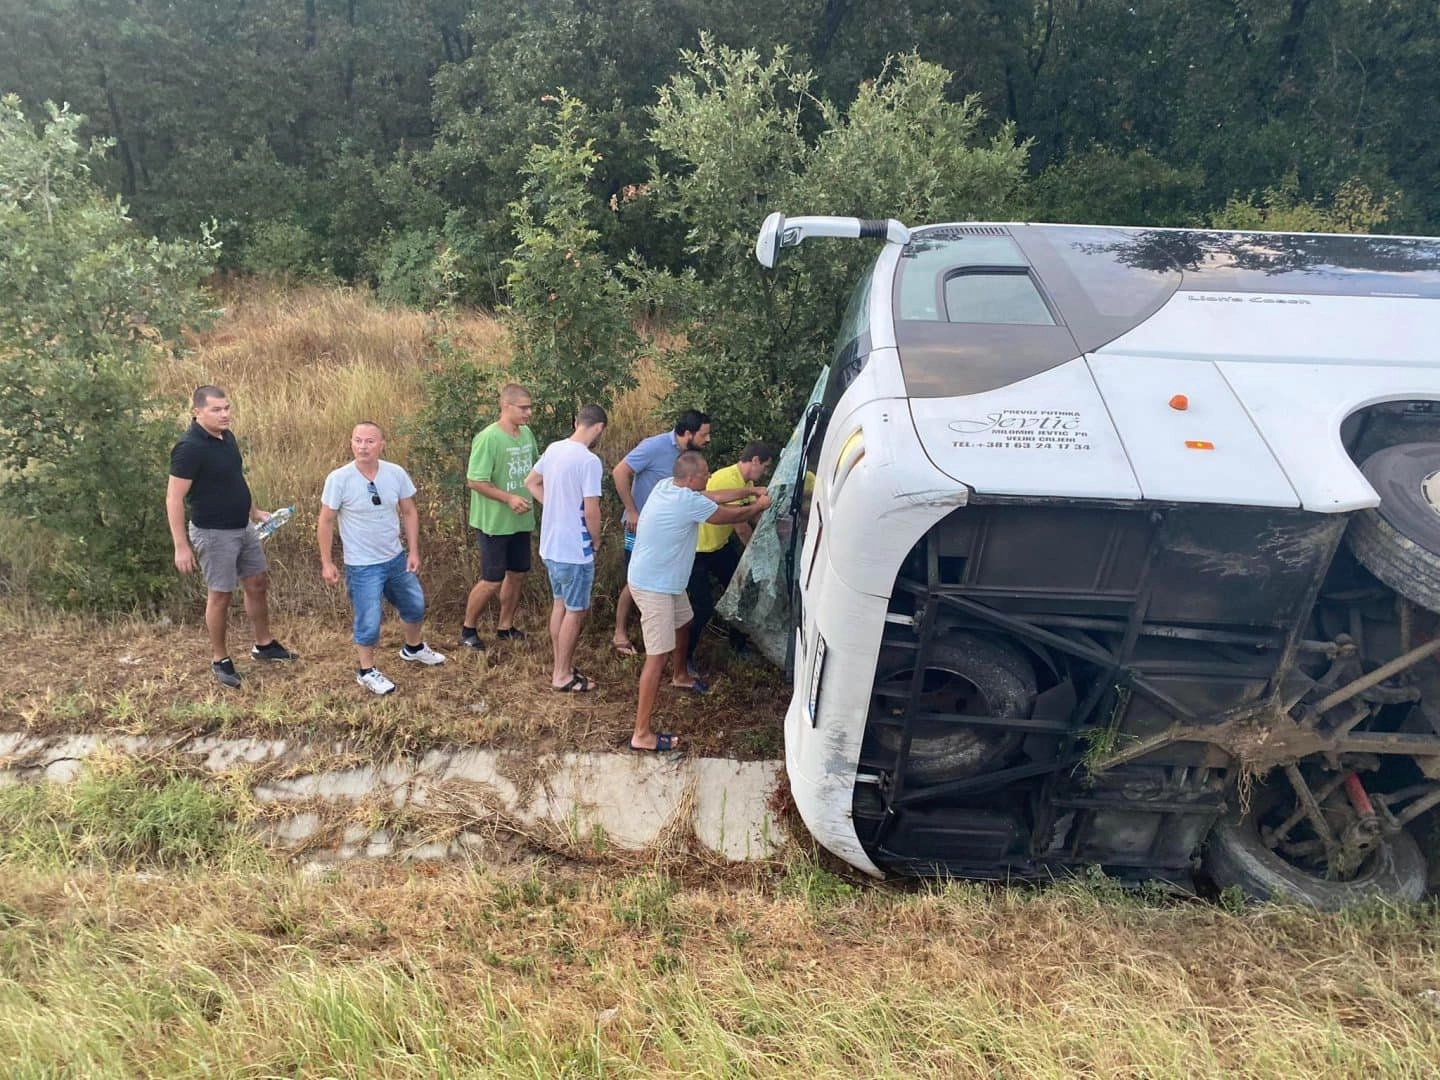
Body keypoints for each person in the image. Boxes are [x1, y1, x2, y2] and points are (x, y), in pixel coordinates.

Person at [627, 451, 770, 751]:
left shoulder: (667, 486)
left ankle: (680, 675)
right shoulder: (686, 502)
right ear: (692, 478)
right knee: (657, 657)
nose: (709, 475)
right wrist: (758, 505)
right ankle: (641, 734)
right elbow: (728, 515)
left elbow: (713, 495)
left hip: (666, 582)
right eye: (705, 472)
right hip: (653, 587)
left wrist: (749, 490)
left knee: (686, 620)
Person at [166, 385, 295, 689]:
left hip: (243, 527)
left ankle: (263, 645)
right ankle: (220, 659)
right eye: (216, 410)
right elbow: (173, 499)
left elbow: (234, 479)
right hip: (213, 533)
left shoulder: (227, 437)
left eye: (227, 408)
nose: (225, 414)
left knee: (257, 583)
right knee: (221, 595)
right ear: (197, 412)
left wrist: (255, 511)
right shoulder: (189, 447)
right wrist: (180, 546)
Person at [318, 422, 446, 695]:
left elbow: (409, 512)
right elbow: (326, 521)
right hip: (362, 565)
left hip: (395, 558)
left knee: (414, 605)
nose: (362, 447)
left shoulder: (395, 473)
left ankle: (413, 648)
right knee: (369, 619)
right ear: (351, 443)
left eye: (369, 441)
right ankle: (366, 671)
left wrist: (413, 551)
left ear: (381, 444)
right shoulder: (339, 479)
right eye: (357, 441)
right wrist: (327, 562)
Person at [611, 409, 711, 656]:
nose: (707, 440)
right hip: (641, 526)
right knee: (634, 581)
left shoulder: (690, 456)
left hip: (668, 531)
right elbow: (619, 471)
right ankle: (620, 632)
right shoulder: (654, 446)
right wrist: (631, 511)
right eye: (704, 435)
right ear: (687, 433)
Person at [524, 405, 608, 693]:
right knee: (575, 609)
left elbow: (531, 482)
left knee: (560, 603)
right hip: (575, 550)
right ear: (599, 428)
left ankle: (562, 665)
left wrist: (554, 505)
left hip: (551, 546)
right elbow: (591, 510)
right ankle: (561, 674)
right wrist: (595, 540)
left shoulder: (554, 449)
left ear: (577, 422)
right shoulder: (589, 461)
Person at [685, 441, 774, 677]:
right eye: (764, 467)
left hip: (718, 548)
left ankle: (737, 643)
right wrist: (757, 557)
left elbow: (754, 515)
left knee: (743, 590)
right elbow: (741, 524)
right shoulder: (727, 478)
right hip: (698, 551)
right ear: (754, 461)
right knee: (701, 606)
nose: (764, 473)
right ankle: (685, 660)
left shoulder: (748, 483)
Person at [461, 383, 537, 650]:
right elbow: (475, 480)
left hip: (521, 520)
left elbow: (536, 472)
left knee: (517, 573)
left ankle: (505, 627)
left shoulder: (527, 434)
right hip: (494, 521)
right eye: (523, 408)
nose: (528, 413)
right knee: (492, 579)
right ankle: (468, 628)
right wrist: (508, 498)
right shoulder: (489, 438)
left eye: (530, 407)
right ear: (506, 406)